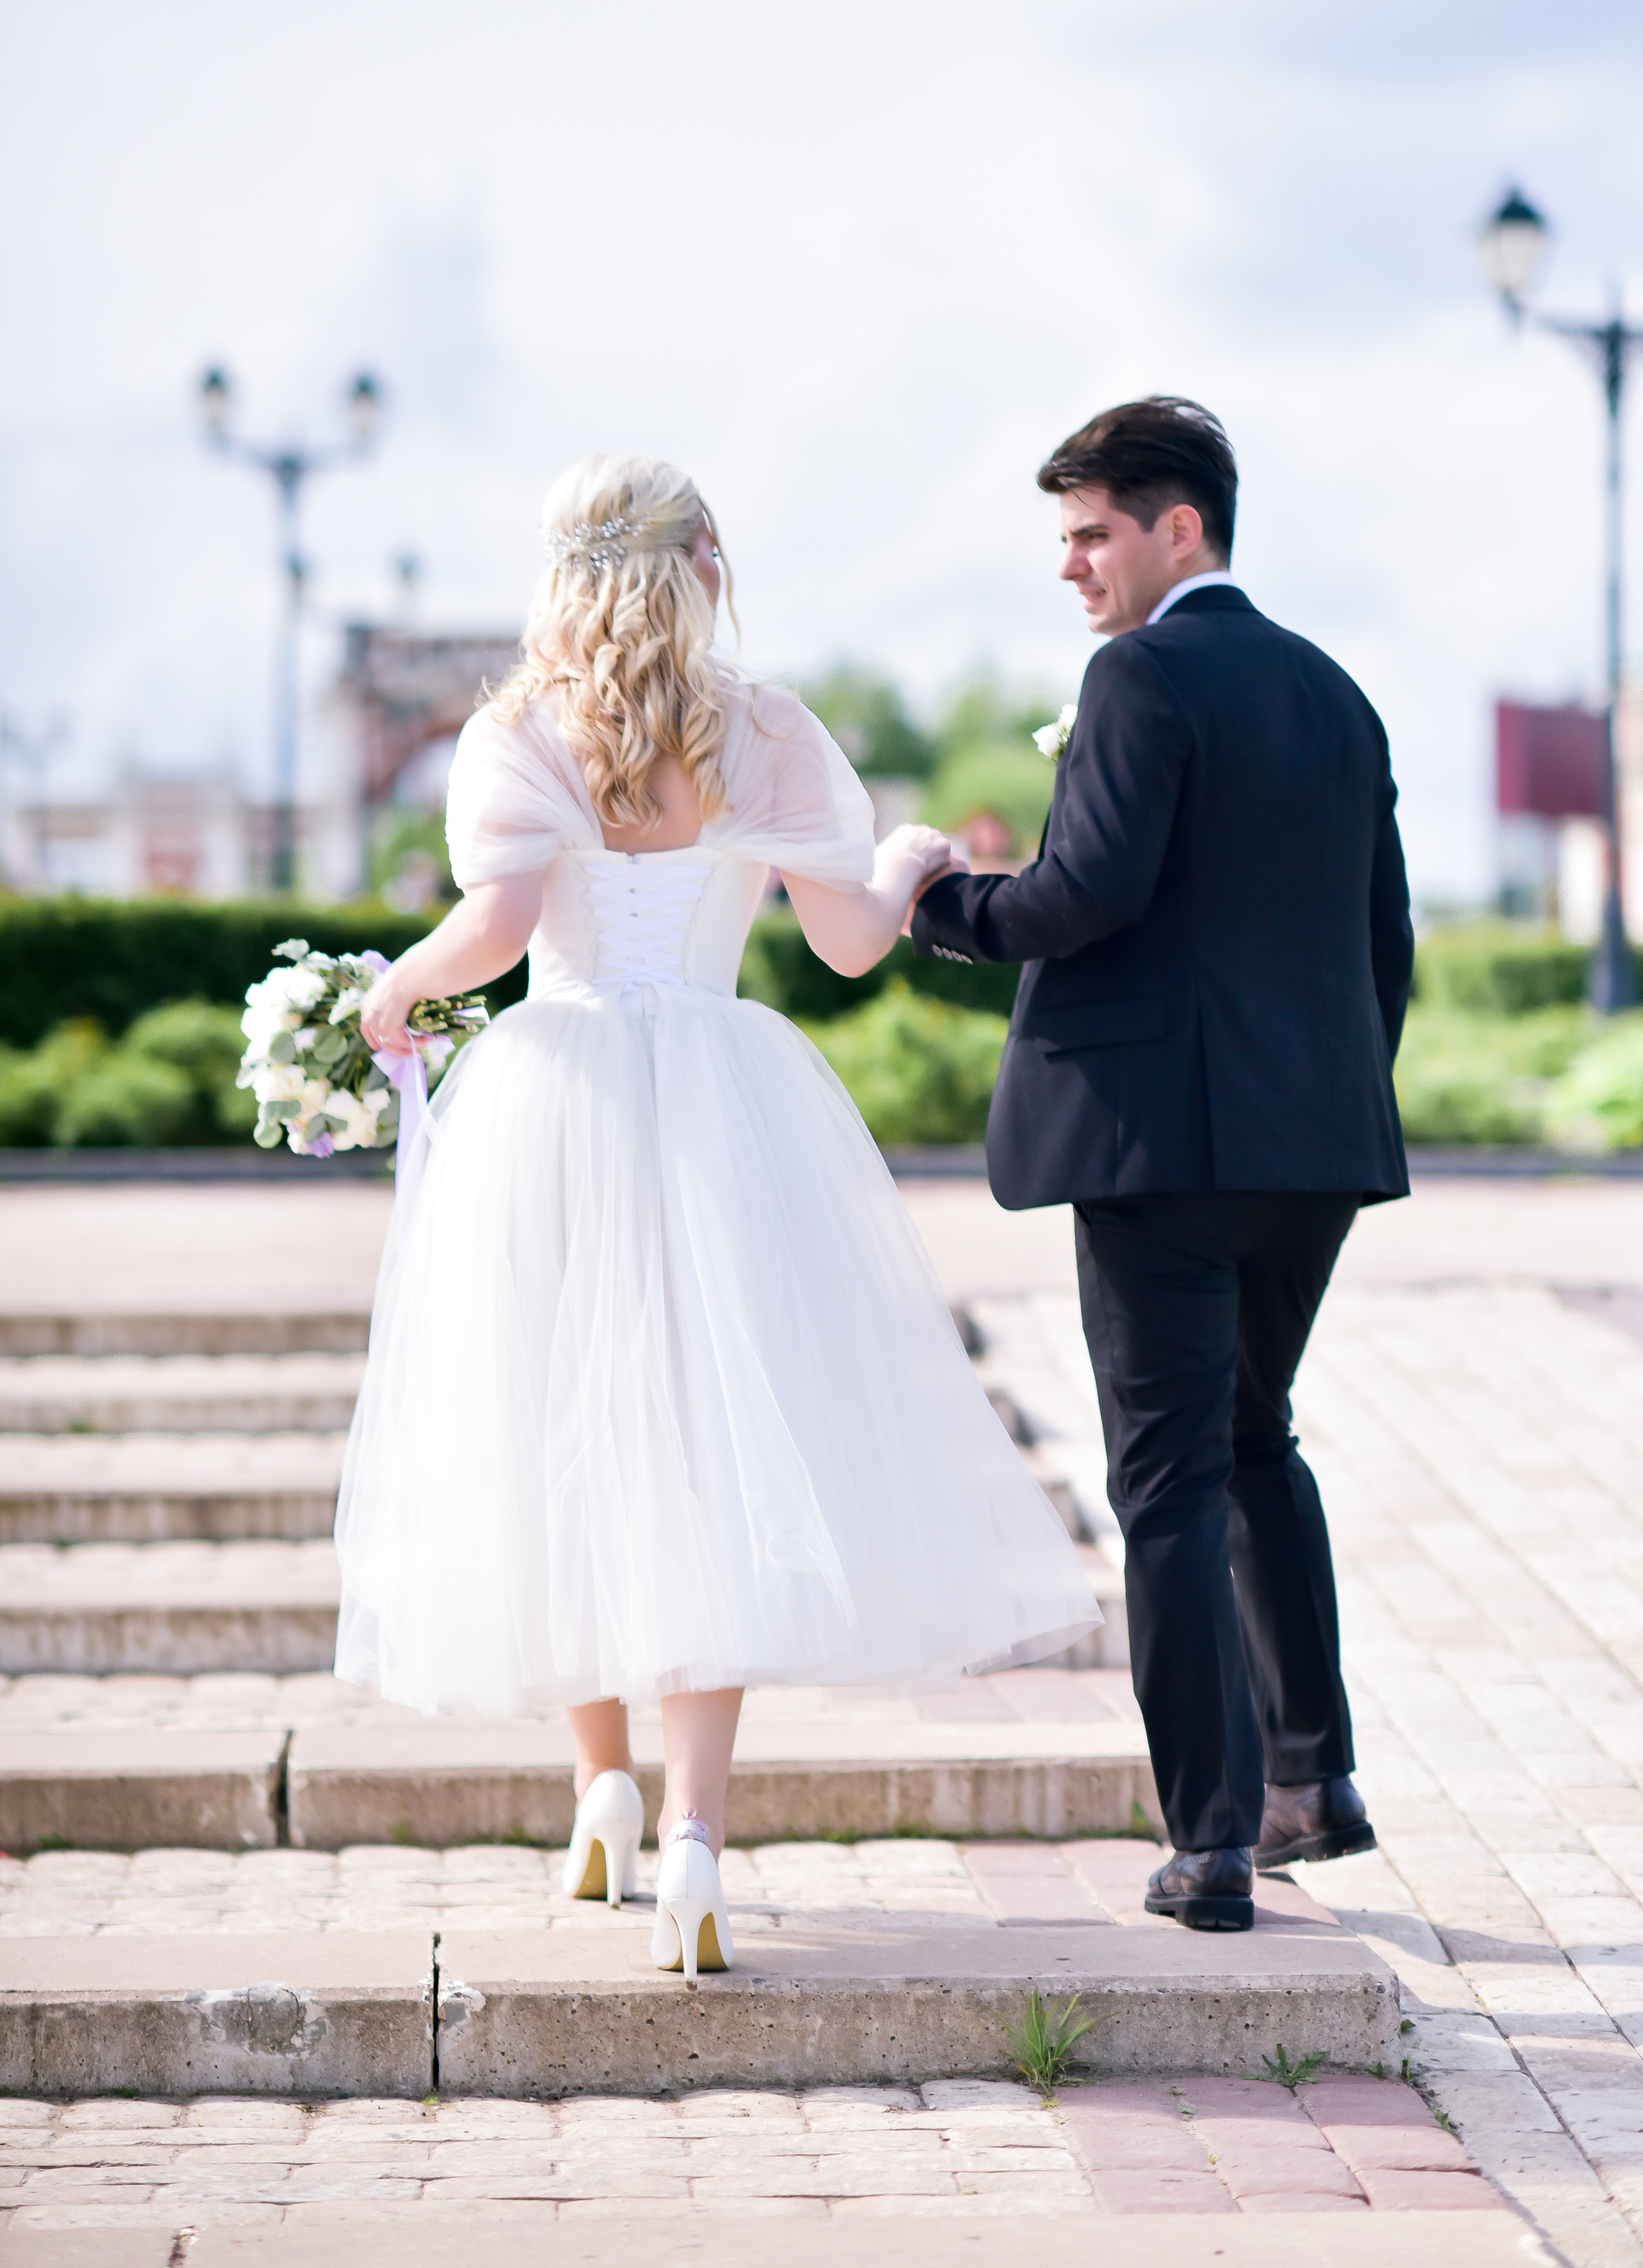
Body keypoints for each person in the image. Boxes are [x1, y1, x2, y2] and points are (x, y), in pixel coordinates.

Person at [340, 453, 1101, 1980]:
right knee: (703, 1450)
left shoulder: (513, 734)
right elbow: (836, 942)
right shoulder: (764, 731)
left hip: (550, 1101)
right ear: (700, 563)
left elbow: (490, 937)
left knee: (556, 1429)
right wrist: (897, 865)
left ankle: (597, 1791)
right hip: (714, 1091)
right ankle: (690, 1837)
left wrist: (388, 992)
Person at [911, 397, 1413, 1933]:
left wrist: (943, 900)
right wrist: (1331, 1099)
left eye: (1089, 533)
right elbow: (1381, 940)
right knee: (1254, 1441)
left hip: (1160, 1155)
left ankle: (1208, 1844)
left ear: (1174, 527)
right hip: (1312, 1149)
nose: (1070, 568)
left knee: (1170, 1488)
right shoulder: (1335, 694)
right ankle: (1306, 1778)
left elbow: (1086, 893)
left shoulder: (1136, 673)